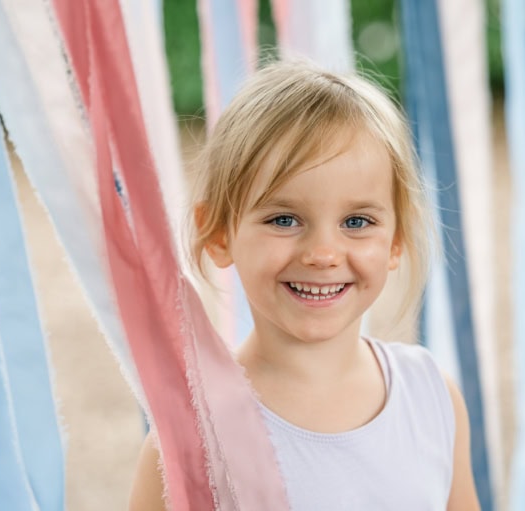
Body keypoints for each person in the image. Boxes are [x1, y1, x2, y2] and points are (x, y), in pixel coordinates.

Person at [129, 60, 480, 510]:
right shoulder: (190, 440)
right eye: (284, 219)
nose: (323, 253)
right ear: (218, 233)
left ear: (396, 241)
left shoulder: (431, 396)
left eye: (357, 221)